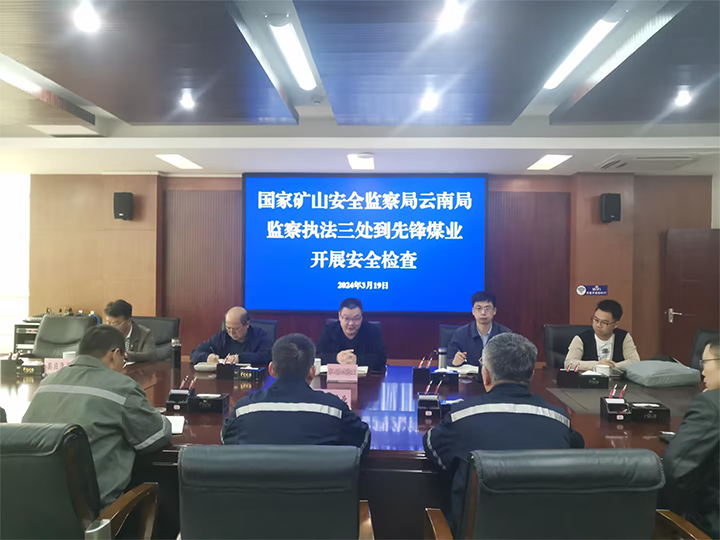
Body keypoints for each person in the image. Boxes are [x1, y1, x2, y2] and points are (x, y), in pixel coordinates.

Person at [424, 333, 584, 534]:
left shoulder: (461, 417)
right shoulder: (559, 420)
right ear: (531, 375)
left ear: (486, 375)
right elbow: (577, 452)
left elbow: (432, 447)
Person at [22, 325, 171, 509]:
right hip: (93, 516)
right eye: (123, 360)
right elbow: (156, 436)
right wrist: (159, 417)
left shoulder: (46, 384)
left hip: (34, 509)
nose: (123, 367)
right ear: (115, 354)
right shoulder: (122, 386)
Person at [222, 333, 371, 455]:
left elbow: (226, 440)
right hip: (318, 483)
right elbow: (363, 440)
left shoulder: (244, 409)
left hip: (259, 483)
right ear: (312, 372)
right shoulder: (334, 409)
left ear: (271, 370)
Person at [661, 336, 720, 539]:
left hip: (709, 527)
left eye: (705, 363)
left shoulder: (710, 404)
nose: (702, 371)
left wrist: (665, 516)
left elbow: (676, 470)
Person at [564, 299, 640, 374]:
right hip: (589, 380)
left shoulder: (624, 337)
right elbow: (568, 363)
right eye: (596, 320)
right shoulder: (581, 338)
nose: (598, 325)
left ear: (615, 324)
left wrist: (612, 366)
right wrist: (597, 365)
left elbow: (634, 361)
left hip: (616, 380)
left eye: (604, 322)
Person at [316, 298, 387, 373]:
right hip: (334, 378)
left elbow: (381, 359)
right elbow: (317, 356)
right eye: (346, 318)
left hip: (366, 378)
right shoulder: (329, 330)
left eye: (356, 319)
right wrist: (336, 358)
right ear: (339, 316)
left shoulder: (372, 331)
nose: (351, 323)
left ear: (361, 317)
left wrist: (357, 360)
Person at [447, 291, 511, 367]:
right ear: (473, 311)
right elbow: (448, 359)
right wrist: (454, 361)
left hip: (495, 374)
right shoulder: (461, 334)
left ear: (494, 311)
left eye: (487, 308)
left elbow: (512, 361)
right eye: (479, 308)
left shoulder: (505, 334)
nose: (483, 312)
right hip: (470, 374)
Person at [190, 307, 272, 365]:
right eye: (228, 328)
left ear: (247, 324)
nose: (232, 333)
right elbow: (194, 353)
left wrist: (240, 358)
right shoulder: (222, 337)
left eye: (236, 329)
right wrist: (207, 357)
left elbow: (266, 357)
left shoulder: (260, 336)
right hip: (224, 379)